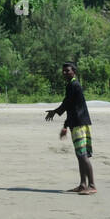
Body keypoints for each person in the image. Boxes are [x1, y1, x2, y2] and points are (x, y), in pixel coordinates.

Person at [45, 61, 96, 194]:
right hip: (78, 122)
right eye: (63, 71)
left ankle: (92, 185)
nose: (64, 73)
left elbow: (67, 104)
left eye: (67, 70)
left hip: (79, 124)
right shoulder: (72, 85)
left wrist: (55, 112)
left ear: (74, 71)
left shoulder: (74, 85)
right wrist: (65, 126)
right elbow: (72, 107)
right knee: (80, 155)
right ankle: (83, 185)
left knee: (83, 155)